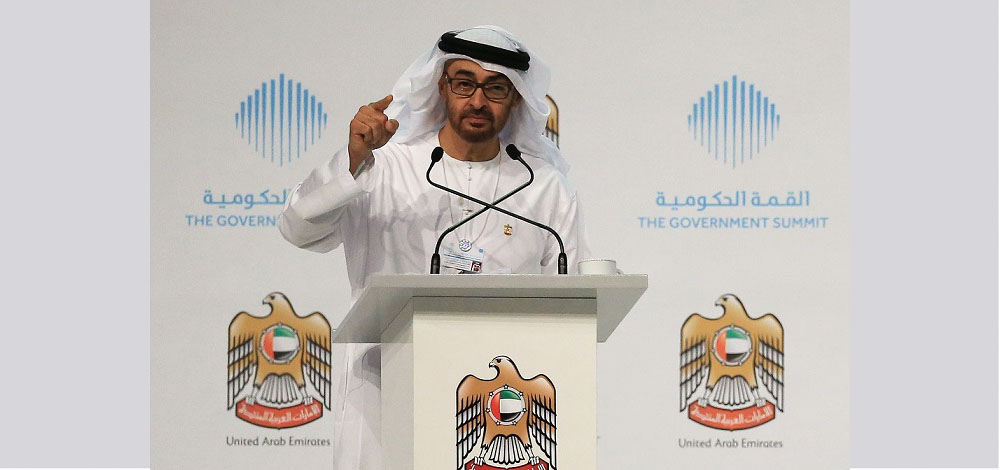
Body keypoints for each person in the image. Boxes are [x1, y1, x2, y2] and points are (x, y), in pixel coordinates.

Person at [277, 25, 589, 468]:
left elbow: (572, 304)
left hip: (495, 408)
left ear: (516, 98)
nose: (477, 101)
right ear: (442, 87)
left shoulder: (544, 187)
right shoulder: (383, 168)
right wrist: (353, 161)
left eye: (495, 88)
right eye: (464, 84)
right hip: (388, 392)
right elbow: (297, 229)